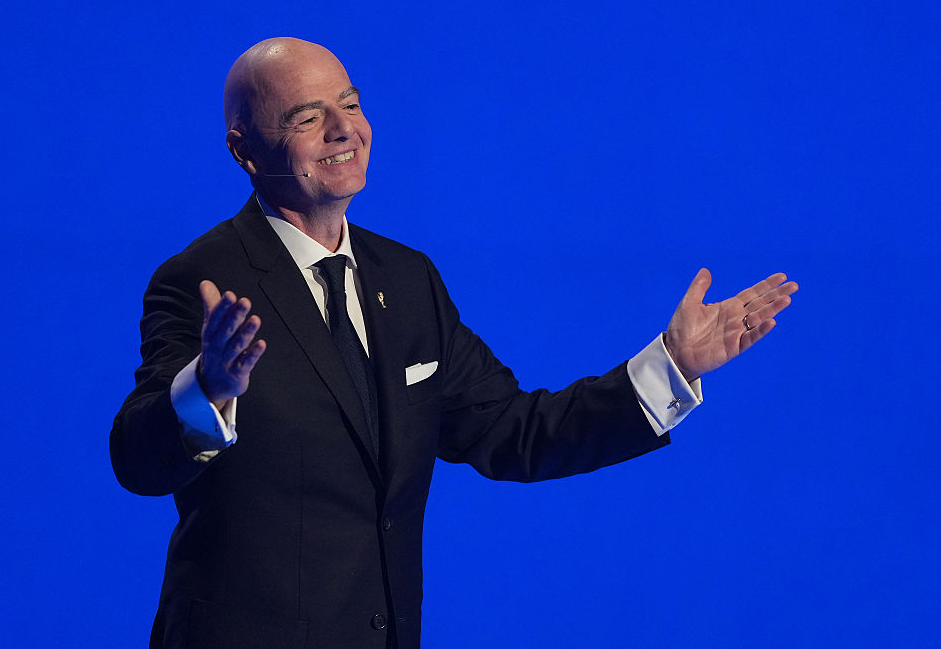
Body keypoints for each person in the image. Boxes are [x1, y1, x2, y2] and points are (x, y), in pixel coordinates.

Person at [110, 37, 797, 649]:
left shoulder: (407, 281)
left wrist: (671, 366)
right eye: (307, 116)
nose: (345, 129)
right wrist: (209, 389)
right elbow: (138, 460)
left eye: (350, 103)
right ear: (244, 151)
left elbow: (512, 429)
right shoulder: (202, 280)